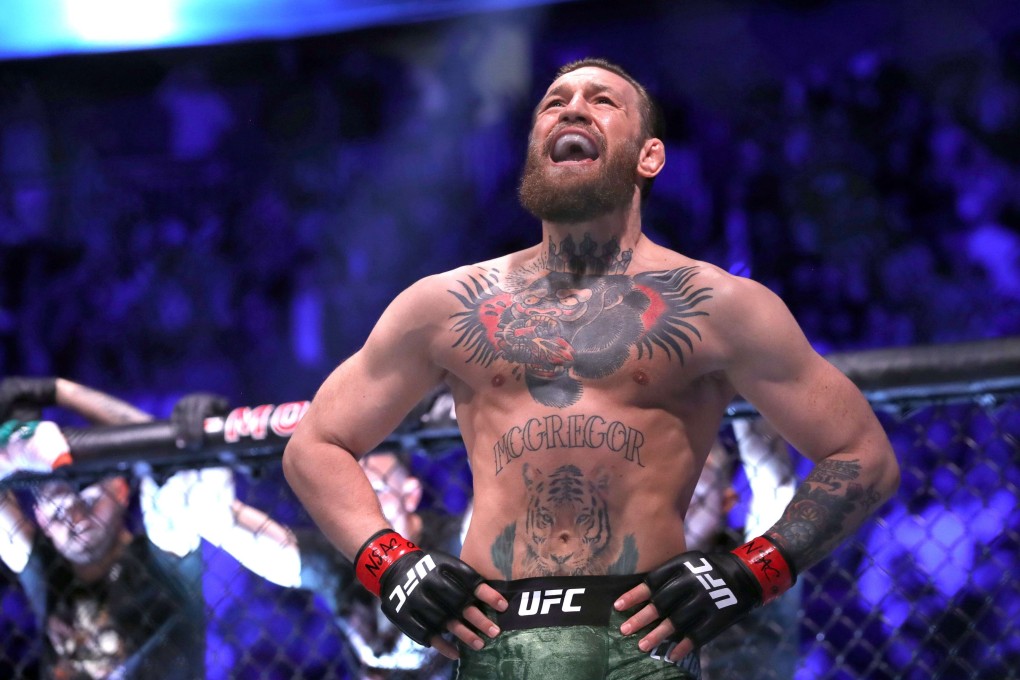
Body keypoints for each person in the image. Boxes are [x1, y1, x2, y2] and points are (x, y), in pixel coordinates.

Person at [281, 57, 900, 679]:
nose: (572, 108)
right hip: (494, 643)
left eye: (602, 100)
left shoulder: (720, 306)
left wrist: (751, 571)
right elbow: (316, 445)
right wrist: (390, 564)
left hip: (641, 645)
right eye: (554, 103)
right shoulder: (445, 305)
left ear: (649, 156)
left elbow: (863, 454)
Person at [0, 377, 299, 679]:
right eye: (58, 510)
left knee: (169, 491)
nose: (75, 519)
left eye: (90, 501)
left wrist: (60, 390)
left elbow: (169, 462)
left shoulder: (160, 556)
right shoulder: (47, 573)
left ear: (120, 490)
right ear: (39, 516)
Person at [684, 419, 801, 680]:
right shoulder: (623, 560)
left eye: (696, 471)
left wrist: (746, 403)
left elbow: (778, 492)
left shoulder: (749, 556)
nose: (682, 487)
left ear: (726, 500)